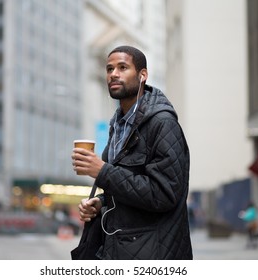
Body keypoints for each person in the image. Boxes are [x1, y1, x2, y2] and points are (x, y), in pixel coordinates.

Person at [72, 45, 192, 259]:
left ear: (142, 75)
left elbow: (164, 194)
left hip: (153, 255)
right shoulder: (118, 125)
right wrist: (101, 203)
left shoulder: (162, 123)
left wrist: (103, 172)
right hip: (121, 249)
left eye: (122, 67)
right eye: (109, 69)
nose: (114, 74)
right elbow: (127, 190)